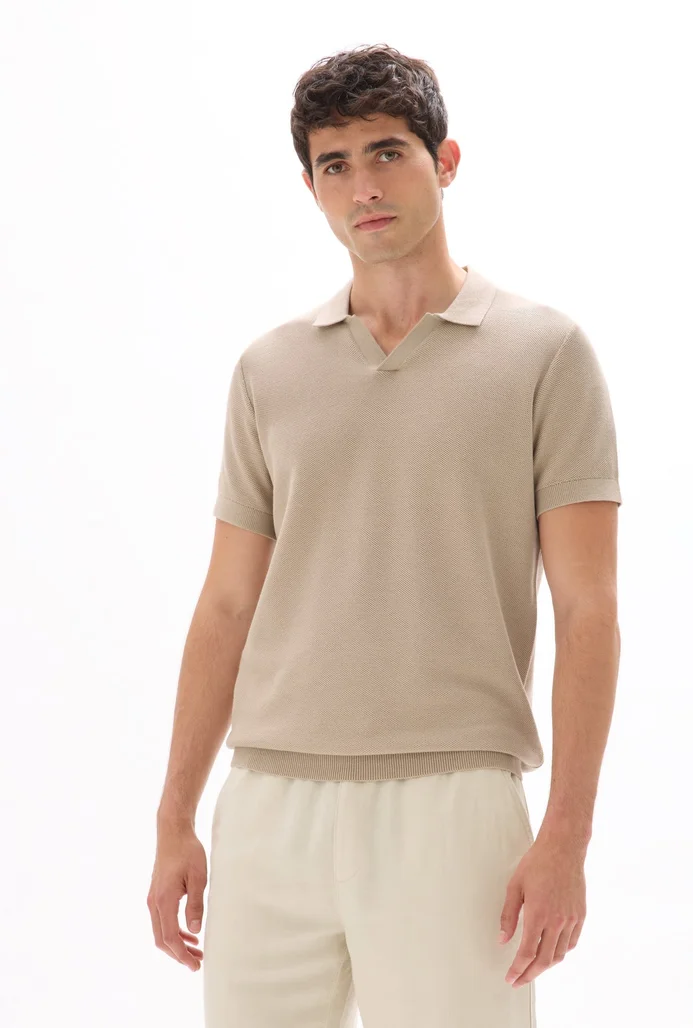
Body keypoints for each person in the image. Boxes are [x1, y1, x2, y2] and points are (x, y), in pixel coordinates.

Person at [147, 42, 622, 1028]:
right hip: (269, 804)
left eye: (387, 152)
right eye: (334, 164)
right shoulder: (269, 370)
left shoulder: (544, 354)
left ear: (445, 161)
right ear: (311, 188)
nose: (362, 186)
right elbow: (226, 602)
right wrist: (174, 817)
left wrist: (566, 835)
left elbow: (588, 610)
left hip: (452, 805)